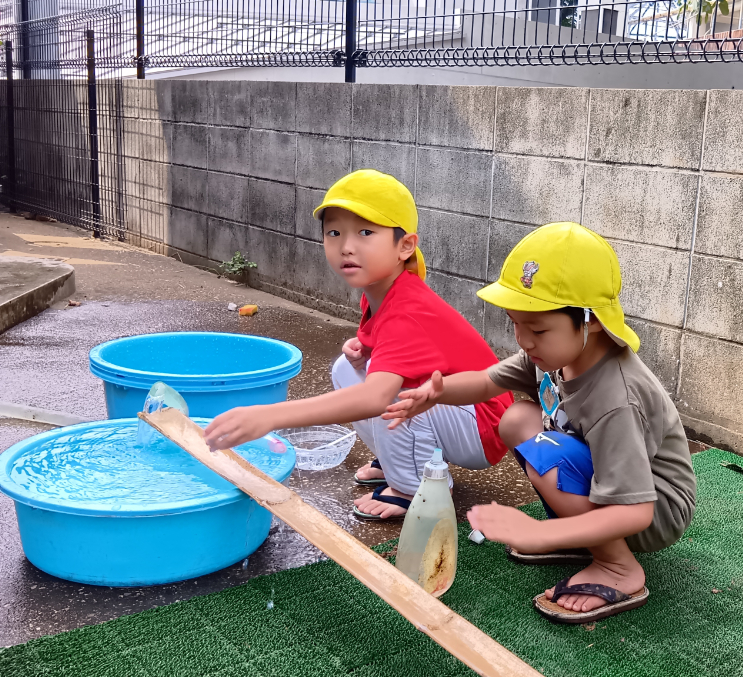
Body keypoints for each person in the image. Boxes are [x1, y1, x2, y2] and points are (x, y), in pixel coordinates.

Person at [382, 222, 696, 624]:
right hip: (606, 483)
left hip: (652, 507)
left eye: (538, 328)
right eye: (516, 323)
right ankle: (587, 540)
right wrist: (435, 392)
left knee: (552, 452)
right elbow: (485, 381)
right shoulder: (556, 353)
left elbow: (635, 513)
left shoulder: (616, 397)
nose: (523, 341)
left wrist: (537, 533)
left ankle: (619, 566)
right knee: (517, 419)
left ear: (591, 320)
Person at [202, 170, 512, 520]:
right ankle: (398, 459)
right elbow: (375, 344)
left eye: (365, 232)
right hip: (457, 411)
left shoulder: (406, 310)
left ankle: (414, 489)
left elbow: (375, 397)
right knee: (347, 367)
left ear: (405, 246)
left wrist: (269, 416)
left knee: (394, 391)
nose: (346, 246)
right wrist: (363, 347)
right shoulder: (381, 291)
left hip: (484, 427)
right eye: (334, 233)